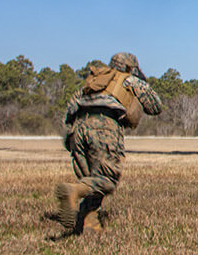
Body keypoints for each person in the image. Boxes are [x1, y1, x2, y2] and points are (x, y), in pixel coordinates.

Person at [55, 52, 162, 235]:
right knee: (106, 180)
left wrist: (71, 139)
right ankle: (73, 191)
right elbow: (155, 106)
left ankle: (90, 228)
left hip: (78, 130)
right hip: (104, 127)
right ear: (130, 67)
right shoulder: (128, 80)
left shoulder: (95, 81)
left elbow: (70, 109)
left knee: (91, 182)